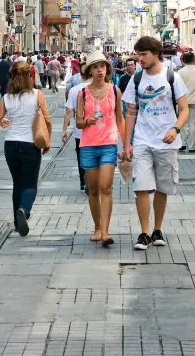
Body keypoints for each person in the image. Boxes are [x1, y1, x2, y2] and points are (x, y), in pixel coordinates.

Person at [122, 37, 189, 251]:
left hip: (166, 141)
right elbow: (131, 112)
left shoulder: (172, 77)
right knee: (141, 186)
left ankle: (157, 229)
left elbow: (184, 109)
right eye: (138, 55)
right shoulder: (136, 79)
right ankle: (144, 232)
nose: (139, 59)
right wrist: (127, 143)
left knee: (162, 187)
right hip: (142, 139)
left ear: (155, 53)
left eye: (143, 55)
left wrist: (175, 128)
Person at [0, 61, 52, 237]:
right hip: (30, 144)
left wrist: (2, 119)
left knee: (17, 183)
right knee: (30, 184)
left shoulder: (6, 98)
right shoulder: (37, 95)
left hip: (10, 144)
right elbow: (47, 121)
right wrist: (47, 142)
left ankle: (18, 224)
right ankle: (24, 210)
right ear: (29, 76)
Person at [76, 52, 124, 246]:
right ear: (90, 71)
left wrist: (127, 144)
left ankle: (105, 231)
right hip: (87, 145)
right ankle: (97, 227)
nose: (99, 70)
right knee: (93, 189)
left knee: (106, 187)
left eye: (102, 66)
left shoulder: (115, 91)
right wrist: (88, 121)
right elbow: (78, 123)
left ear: (107, 69)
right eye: (95, 67)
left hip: (108, 144)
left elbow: (120, 119)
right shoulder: (83, 93)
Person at [62, 62, 91, 191]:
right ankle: (92, 180)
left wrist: (64, 130)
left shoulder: (74, 90)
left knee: (81, 156)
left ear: (80, 73)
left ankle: (83, 182)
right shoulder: (96, 88)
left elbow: (68, 111)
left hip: (79, 131)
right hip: (95, 130)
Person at [177, 52, 195, 153]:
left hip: (182, 100)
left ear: (183, 60)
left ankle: (182, 144)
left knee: (182, 122)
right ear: (194, 59)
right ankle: (192, 146)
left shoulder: (180, 72)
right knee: (193, 123)